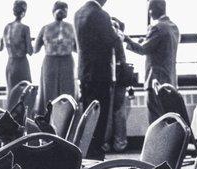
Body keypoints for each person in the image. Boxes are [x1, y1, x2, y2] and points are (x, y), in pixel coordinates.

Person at [74, 0, 120, 160]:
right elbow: (111, 40)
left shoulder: (78, 13)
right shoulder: (101, 14)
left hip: (84, 71)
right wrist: (116, 31)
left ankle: (88, 151)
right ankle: (97, 154)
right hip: (100, 73)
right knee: (100, 117)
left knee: (88, 114)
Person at [124, 0, 180, 124]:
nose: (149, 13)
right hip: (170, 81)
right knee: (167, 120)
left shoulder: (157, 27)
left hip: (155, 81)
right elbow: (162, 48)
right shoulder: (173, 27)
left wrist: (127, 40)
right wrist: (146, 40)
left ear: (155, 9)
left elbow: (143, 49)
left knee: (156, 122)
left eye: (150, 9)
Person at [34, 2, 77, 116]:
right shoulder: (72, 28)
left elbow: (35, 49)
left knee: (49, 93)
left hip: (50, 61)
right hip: (66, 61)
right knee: (67, 94)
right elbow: (78, 49)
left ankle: (48, 121)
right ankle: (66, 121)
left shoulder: (46, 28)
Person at [106, 18, 130, 153]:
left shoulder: (110, 37)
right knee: (119, 111)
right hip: (120, 76)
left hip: (111, 76)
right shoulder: (120, 37)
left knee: (109, 111)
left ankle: (106, 143)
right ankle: (120, 142)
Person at [0, 1, 33, 93]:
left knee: (12, 94)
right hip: (21, 64)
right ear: (24, 12)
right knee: (25, 93)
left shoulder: (6, 27)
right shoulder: (25, 28)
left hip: (10, 64)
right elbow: (30, 51)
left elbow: (1, 48)